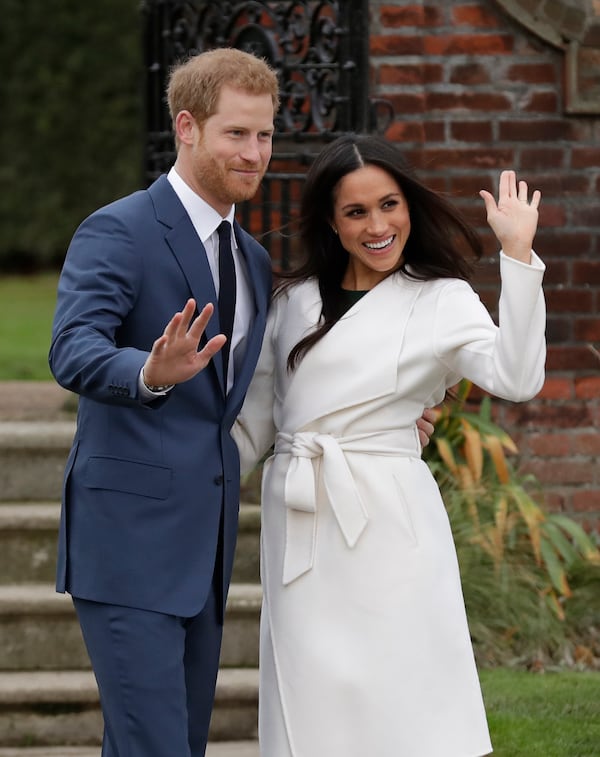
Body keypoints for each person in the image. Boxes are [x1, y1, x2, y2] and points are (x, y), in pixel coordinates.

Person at [233, 134, 546, 756]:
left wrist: (518, 253)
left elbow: (517, 377)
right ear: (331, 219)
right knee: (313, 697)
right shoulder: (290, 303)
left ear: (410, 207)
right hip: (301, 520)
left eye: (389, 205)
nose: (377, 226)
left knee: (405, 688)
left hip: (390, 521)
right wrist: (179, 476)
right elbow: (255, 428)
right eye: (356, 212)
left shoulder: (440, 299)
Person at [48, 48, 279, 757]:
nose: (255, 152)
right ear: (187, 127)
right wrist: (148, 371)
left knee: (167, 744)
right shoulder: (119, 228)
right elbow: (72, 347)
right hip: (126, 546)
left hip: (202, 554)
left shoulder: (253, 258)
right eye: (236, 133)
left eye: (265, 135)